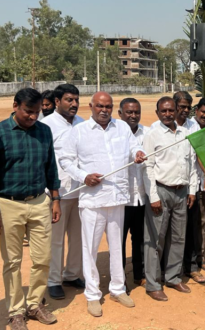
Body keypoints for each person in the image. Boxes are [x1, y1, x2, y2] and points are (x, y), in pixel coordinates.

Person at [60, 92, 146, 317]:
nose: (104, 110)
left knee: (117, 246)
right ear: (91, 106)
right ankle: (92, 295)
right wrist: (84, 176)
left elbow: (134, 146)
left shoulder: (122, 128)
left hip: (117, 197)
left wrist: (138, 153)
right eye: (99, 106)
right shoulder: (78, 132)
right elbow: (66, 160)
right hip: (93, 200)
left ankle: (118, 289)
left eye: (108, 106)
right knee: (90, 249)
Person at [0, 88, 62, 330]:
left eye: (37, 112)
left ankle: (34, 304)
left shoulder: (44, 131)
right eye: (28, 111)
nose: (33, 117)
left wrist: (56, 198)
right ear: (15, 105)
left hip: (40, 201)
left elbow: (51, 166)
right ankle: (16, 311)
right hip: (8, 204)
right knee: (13, 261)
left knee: (42, 258)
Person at [143, 96, 197, 302]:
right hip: (161, 190)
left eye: (171, 110)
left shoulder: (185, 134)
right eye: (163, 111)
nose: (167, 114)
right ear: (157, 113)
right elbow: (147, 167)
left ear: (176, 111)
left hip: (181, 191)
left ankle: (173, 277)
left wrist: (192, 190)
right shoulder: (153, 135)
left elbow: (191, 162)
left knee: (178, 237)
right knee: (156, 239)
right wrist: (153, 196)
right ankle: (153, 283)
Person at [41, 84, 85, 300]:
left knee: (78, 237)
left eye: (76, 99)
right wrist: (50, 192)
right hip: (56, 193)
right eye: (69, 100)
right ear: (57, 102)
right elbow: (43, 161)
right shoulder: (46, 125)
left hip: (82, 190)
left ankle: (72, 274)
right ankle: (53, 280)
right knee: (56, 240)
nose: (74, 104)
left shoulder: (83, 124)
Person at [184, 97, 205, 283]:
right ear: (196, 110)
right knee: (184, 223)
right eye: (203, 112)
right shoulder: (186, 127)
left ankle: (199, 258)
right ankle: (181, 261)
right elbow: (195, 153)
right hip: (187, 182)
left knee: (203, 222)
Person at [118, 97, 149, 288]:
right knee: (117, 242)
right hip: (122, 198)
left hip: (141, 196)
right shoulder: (114, 135)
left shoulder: (148, 133)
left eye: (136, 112)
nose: (133, 115)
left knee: (140, 239)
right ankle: (119, 279)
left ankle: (140, 274)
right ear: (120, 113)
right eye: (128, 112)